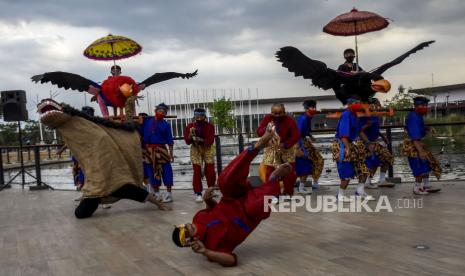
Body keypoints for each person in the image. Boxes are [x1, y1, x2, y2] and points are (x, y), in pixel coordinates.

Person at [172, 126, 292, 266]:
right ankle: (273, 180)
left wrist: (208, 199)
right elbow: (232, 260)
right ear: (190, 243)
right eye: (184, 235)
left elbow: (214, 211)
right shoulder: (212, 248)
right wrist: (205, 252)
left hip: (232, 198)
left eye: (182, 227)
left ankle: (259, 144)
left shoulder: (198, 217)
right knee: (256, 206)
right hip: (247, 215)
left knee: (223, 181)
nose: (186, 228)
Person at [331, 96, 373, 202]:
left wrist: (368, 143)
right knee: (346, 172)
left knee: (363, 169)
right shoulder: (346, 115)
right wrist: (347, 148)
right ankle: (340, 195)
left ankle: (360, 191)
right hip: (342, 145)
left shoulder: (354, 115)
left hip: (349, 144)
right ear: (349, 104)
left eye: (359, 102)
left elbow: (359, 131)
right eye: (355, 103)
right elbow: (343, 134)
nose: (358, 104)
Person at [257, 103, 299, 199]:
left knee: (289, 173)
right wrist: (266, 129)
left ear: (284, 112)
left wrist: (285, 144)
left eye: (280, 113)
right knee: (270, 173)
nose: (277, 115)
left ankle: (288, 193)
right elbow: (259, 132)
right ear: (271, 112)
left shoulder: (290, 121)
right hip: (271, 150)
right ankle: (273, 195)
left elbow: (295, 135)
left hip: (286, 150)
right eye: (274, 113)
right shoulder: (268, 118)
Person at [401, 96, 441, 195]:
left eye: (426, 105)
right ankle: (416, 188)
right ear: (416, 106)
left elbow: (421, 127)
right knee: (419, 167)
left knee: (426, 164)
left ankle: (426, 185)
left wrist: (428, 128)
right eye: (423, 105)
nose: (425, 107)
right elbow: (414, 137)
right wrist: (421, 151)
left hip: (418, 143)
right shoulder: (413, 117)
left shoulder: (418, 115)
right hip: (413, 145)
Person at [357, 97, 394, 188]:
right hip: (365, 143)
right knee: (374, 162)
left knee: (387, 158)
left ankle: (381, 180)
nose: (379, 106)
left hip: (374, 142)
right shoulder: (364, 114)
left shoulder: (376, 114)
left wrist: (383, 137)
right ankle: (367, 182)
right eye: (377, 104)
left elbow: (376, 128)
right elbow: (358, 130)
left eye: (378, 104)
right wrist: (366, 125)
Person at [141, 103, 175, 202]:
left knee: (167, 171)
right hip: (149, 151)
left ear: (165, 114)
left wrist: (171, 154)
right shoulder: (146, 121)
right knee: (151, 172)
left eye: (163, 112)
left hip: (162, 150)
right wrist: (140, 120)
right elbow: (140, 132)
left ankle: (169, 194)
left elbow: (170, 141)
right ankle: (157, 194)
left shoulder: (166, 125)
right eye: (160, 111)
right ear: (156, 111)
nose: (161, 113)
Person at [183, 108, 216, 203]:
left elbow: (211, 140)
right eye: (197, 115)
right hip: (195, 149)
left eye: (201, 115)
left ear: (204, 116)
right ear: (194, 116)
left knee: (210, 171)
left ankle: (210, 190)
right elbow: (187, 141)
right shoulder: (190, 126)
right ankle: (198, 193)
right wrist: (190, 135)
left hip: (207, 148)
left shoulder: (210, 126)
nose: (199, 117)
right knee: (197, 171)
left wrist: (201, 140)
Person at [295, 100, 325, 194]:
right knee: (305, 163)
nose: (314, 109)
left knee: (318, 160)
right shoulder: (303, 118)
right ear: (307, 109)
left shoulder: (308, 117)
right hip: (300, 143)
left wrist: (311, 137)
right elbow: (297, 134)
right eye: (312, 107)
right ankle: (302, 187)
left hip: (304, 141)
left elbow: (306, 131)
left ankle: (314, 183)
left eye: (315, 107)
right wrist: (298, 148)